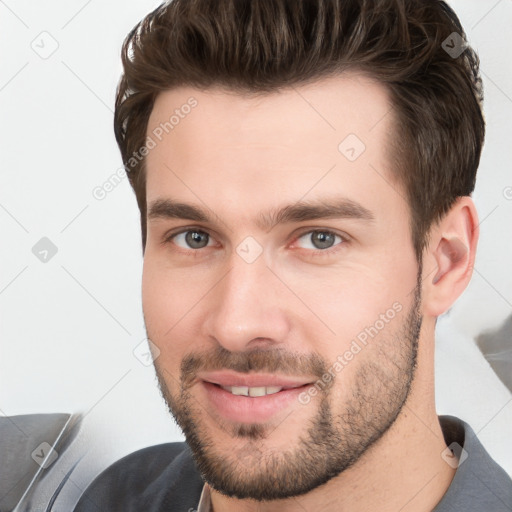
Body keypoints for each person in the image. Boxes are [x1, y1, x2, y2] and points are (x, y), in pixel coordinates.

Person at [73, 0, 512, 510]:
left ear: (446, 261)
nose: (236, 324)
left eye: (318, 239)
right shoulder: (85, 495)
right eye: (194, 237)